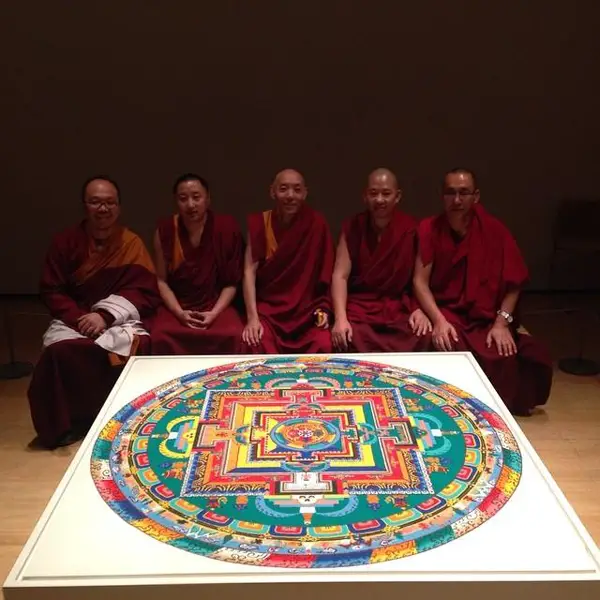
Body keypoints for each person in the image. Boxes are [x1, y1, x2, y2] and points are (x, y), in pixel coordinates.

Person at [27, 176, 160, 449]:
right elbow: (51, 290)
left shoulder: (130, 243)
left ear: (119, 207)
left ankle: (129, 416)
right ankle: (66, 425)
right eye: (96, 202)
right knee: (59, 353)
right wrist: (80, 318)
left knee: (137, 345)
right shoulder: (65, 242)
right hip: (74, 319)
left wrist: (105, 315)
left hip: (117, 318)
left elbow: (145, 290)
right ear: (85, 206)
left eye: (110, 202)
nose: (103, 209)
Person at [413, 168, 553, 415]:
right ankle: (437, 407)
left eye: (463, 193)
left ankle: (488, 411)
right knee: (432, 340)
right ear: (442, 196)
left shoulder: (494, 231)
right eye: (451, 193)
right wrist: (438, 319)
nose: (457, 200)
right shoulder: (429, 229)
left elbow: (514, 282)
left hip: (484, 319)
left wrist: (502, 323)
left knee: (502, 354)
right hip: (448, 313)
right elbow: (420, 281)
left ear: (476, 196)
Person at [331, 168, 431, 352]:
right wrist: (340, 318)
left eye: (386, 193)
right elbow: (340, 275)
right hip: (360, 307)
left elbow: (418, 280)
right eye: (373, 193)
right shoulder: (353, 227)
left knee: (421, 334)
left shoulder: (412, 230)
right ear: (365, 196)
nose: (379, 199)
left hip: (397, 307)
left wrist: (418, 309)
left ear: (397, 196)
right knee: (348, 336)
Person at [150, 174, 245, 355]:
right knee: (160, 336)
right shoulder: (166, 231)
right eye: (183, 199)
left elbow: (232, 282)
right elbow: (161, 281)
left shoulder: (225, 227)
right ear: (176, 202)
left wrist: (214, 313)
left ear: (208, 199)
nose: (191, 205)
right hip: (178, 305)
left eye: (196, 197)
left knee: (233, 334)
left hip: (216, 304)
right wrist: (179, 313)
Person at [242, 169, 334, 354]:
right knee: (255, 342)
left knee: (323, 344)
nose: (290, 196)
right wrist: (253, 318)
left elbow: (327, 273)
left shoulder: (316, 224)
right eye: (283, 189)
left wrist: (324, 308)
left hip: (306, 313)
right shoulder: (261, 224)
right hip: (269, 312)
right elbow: (248, 272)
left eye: (297, 190)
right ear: (272, 192)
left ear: (305, 193)